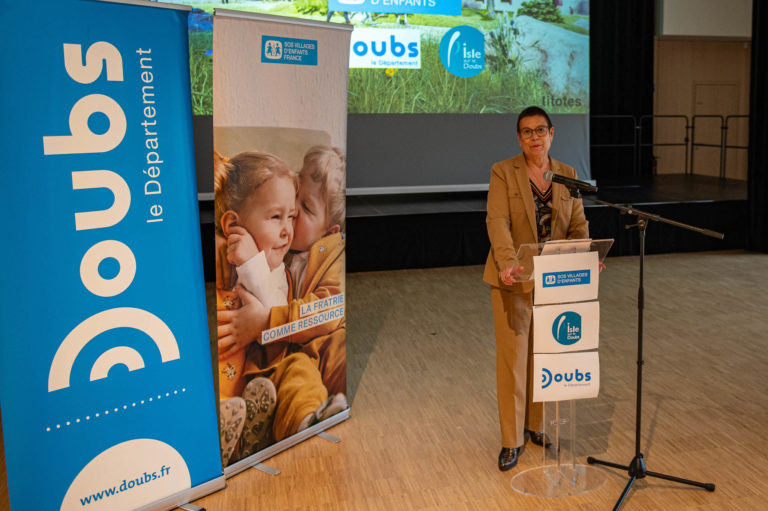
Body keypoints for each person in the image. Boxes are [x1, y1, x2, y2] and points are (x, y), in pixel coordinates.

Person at [484, 106, 589, 471]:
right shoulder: (503, 172)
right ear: (519, 138)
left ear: (551, 134)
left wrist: (585, 256)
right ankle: (511, 440)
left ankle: (537, 425)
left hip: (554, 279)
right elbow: (497, 221)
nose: (534, 137)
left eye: (540, 130)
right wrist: (507, 263)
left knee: (544, 357)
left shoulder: (567, 174)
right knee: (514, 363)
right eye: (527, 131)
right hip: (514, 279)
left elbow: (578, 224)